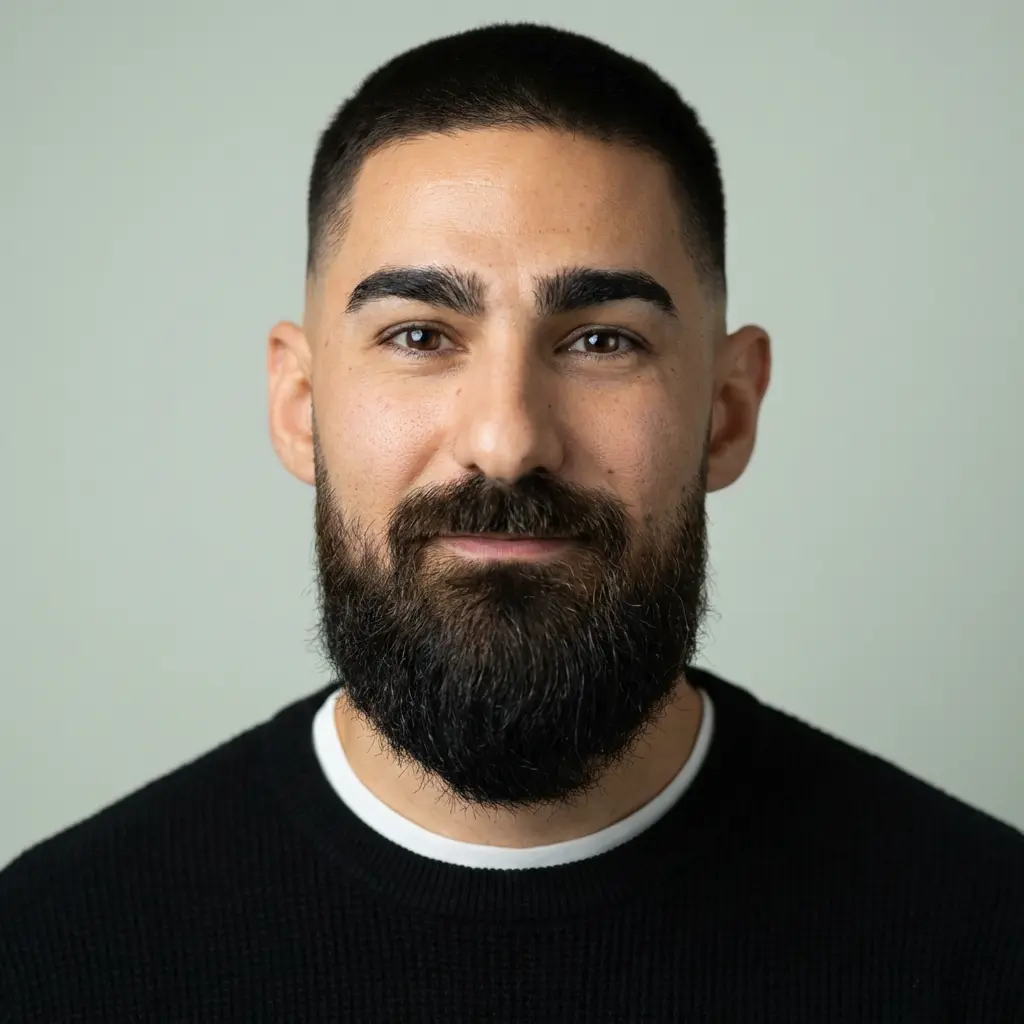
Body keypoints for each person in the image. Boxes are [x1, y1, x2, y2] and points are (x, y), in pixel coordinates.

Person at [2, 21, 1021, 1022]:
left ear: (726, 411)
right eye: (417, 333)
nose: (506, 439)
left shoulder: (983, 942)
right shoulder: (49, 955)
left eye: (600, 340)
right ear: (300, 406)